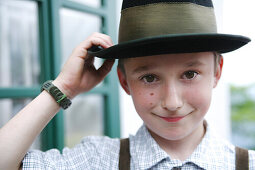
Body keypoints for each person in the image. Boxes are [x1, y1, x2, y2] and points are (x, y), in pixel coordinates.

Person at [0, 0, 254, 169]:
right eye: (149, 77)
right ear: (124, 81)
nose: (173, 102)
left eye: (190, 74)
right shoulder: (97, 161)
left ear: (217, 72)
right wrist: (64, 88)